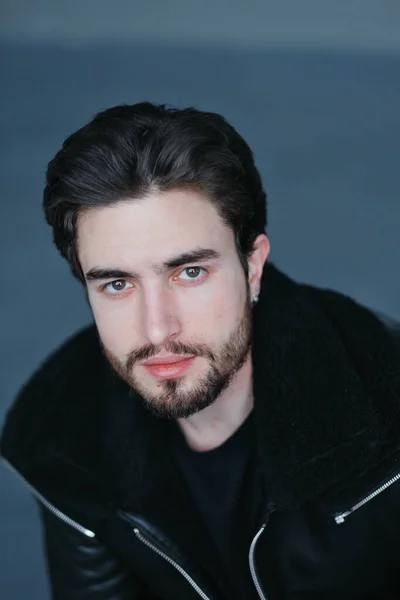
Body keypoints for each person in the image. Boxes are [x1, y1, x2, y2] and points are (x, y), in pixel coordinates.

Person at [1, 102, 400, 600]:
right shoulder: (63, 433)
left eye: (190, 273)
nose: (156, 327)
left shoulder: (388, 407)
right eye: (117, 284)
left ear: (252, 267)